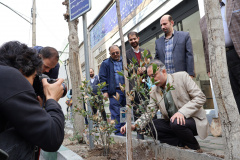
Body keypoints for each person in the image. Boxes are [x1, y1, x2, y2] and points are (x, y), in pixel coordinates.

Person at [120, 60, 209, 150]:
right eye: (150, 77)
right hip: (173, 123)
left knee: (176, 122)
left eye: (154, 75)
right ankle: (181, 144)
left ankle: (194, 147)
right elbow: (149, 112)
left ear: (163, 71)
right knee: (148, 127)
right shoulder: (154, 90)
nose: (152, 79)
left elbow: (200, 97)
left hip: (193, 121)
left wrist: (182, 112)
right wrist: (134, 125)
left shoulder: (182, 77)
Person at [0, 41, 65, 160]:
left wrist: (32, 109)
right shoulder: (11, 76)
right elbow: (52, 138)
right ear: (22, 70)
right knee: (25, 136)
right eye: (35, 77)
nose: (32, 84)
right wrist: (52, 99)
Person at [200, 0, 240, 112]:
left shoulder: (235, 3)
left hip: (237, 53)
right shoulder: (203, 20)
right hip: (221, 60)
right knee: (233, 94)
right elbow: (205, 46)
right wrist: (209, 68)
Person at [126, 31, 152, 139]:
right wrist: (137, 69)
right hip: (134, 85)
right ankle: (139, 132)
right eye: (131, 40)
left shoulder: (146, 51)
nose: (133, 41)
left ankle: (149, 129)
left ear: (138, 38)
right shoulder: (126, 54)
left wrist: (145, 68)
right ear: (129, 41)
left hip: (146, 84)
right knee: (137, 108)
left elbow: (151, 63)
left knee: (147, 106)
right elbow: (127, 68)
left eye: (134, 39)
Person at [99, 45, 126, 136]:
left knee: (123, 111)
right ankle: (118, 132)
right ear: (110, 53)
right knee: (115, 112)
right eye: (113, 53)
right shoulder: (106, 63)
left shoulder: (125, 61)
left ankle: (123, 129)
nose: (115, 54)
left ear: (120, 51)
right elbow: (102, 78)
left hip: (125, 91)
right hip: (114, 92)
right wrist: (105, 91)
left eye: (117, 52)